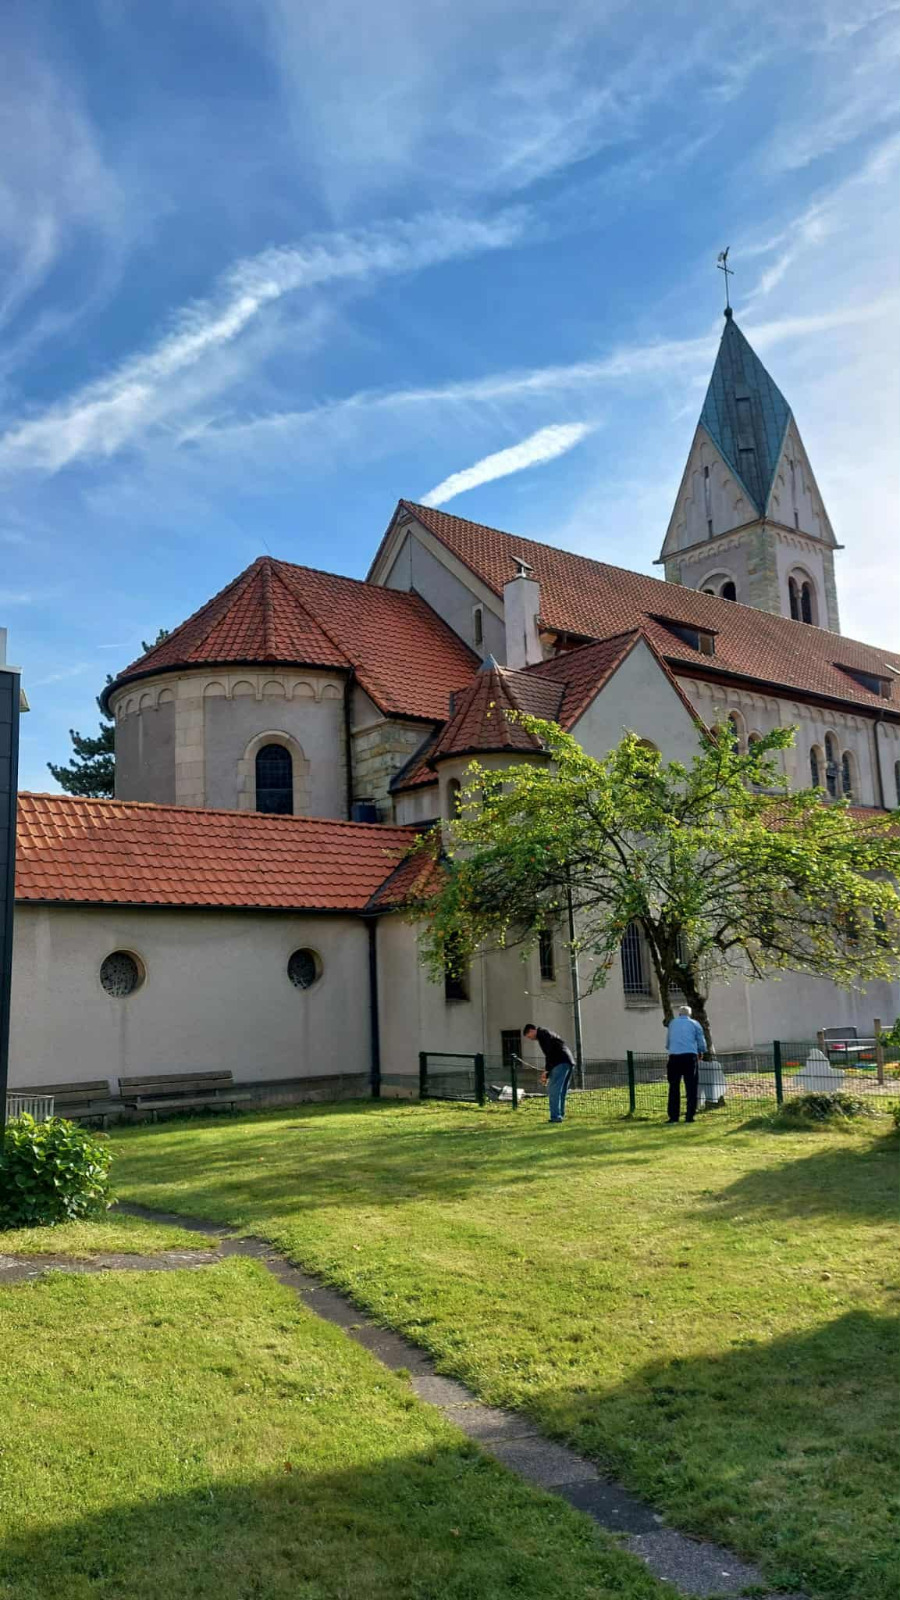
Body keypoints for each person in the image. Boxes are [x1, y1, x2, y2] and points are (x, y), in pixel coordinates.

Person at [523, 1023, 575, 1123]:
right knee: (561, 1091)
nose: (531, 1039)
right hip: (568, 1060)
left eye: (529, 1037)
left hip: (559, 1062)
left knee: (553, 1090)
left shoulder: (542, 1034)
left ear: (532, 1030)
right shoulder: (547, 1033)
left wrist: (547, 1071)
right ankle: (560, 1114)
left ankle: (555, 1117)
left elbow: (549, 1053)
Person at [664, 1005, 707, 1123]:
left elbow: (667, 1042)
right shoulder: (695, 1024)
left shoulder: (672, 1023)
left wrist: (672, 1048)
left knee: (673, 1087)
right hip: (689, 1057)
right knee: (691, 1087)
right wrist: (701, 1051)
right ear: (690, 1014)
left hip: (674, 1057)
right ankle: (689, 1116)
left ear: (679, 1014)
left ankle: (673, 1117)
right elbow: (700, 1040)